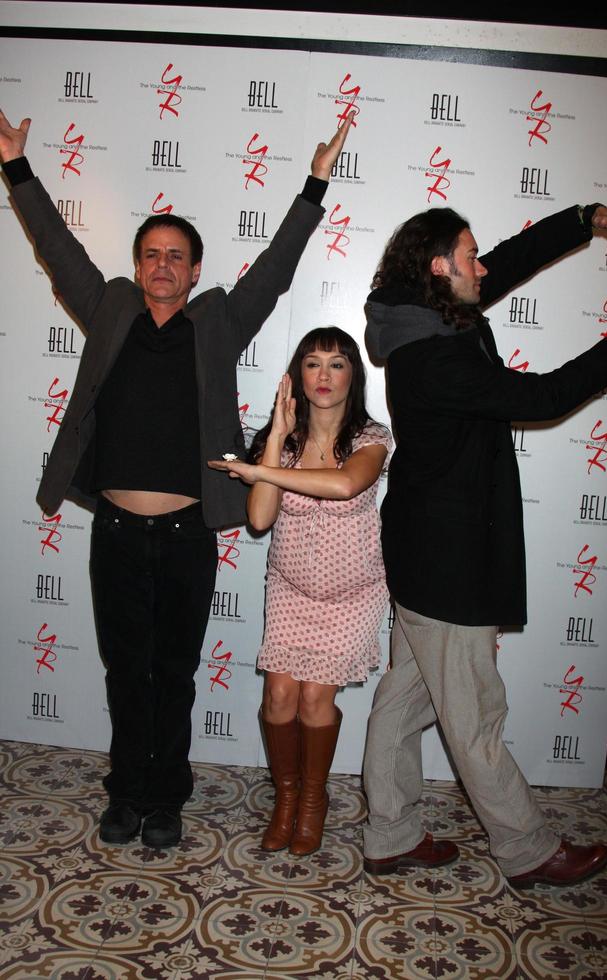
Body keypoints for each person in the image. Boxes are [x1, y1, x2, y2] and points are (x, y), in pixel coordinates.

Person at [0, 107, 353, 849]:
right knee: (127, 672)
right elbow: (58, 250)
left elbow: (277, 271)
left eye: (176, 256)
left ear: (195, 271)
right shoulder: (109, 311)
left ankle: (167, 797)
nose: (162, 265)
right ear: (138, 267)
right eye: (151, 254)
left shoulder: (218, 322)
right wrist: (17, 170)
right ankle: (126, 792)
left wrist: (314, 185)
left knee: (176, 673)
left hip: (190, 532)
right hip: (119, 530)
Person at [361, 201, 607, 886]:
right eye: (470, 255)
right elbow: (546, 394)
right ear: (439, 267)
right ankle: (526, 849)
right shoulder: (432, 355)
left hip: (426, 549)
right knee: (474, 714)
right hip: (445, 560)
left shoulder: (426, 309)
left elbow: (511, 259)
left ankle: (390, 833)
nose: (482, 266)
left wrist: (585, 220)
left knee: (406, 699)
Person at [210, 326, 391, 855]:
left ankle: (312, 800)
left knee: (314, 698)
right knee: (279, 695)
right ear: (297, 376)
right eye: (313, 363)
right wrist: (274, 438)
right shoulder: (283, 444)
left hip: (351, 595)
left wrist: (256, 470)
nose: (325, 376)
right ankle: (285, 799)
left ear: (352, 375)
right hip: (290, 588)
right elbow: (261, 519)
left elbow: (345, 484)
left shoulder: (370, 437)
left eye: (337, 364)